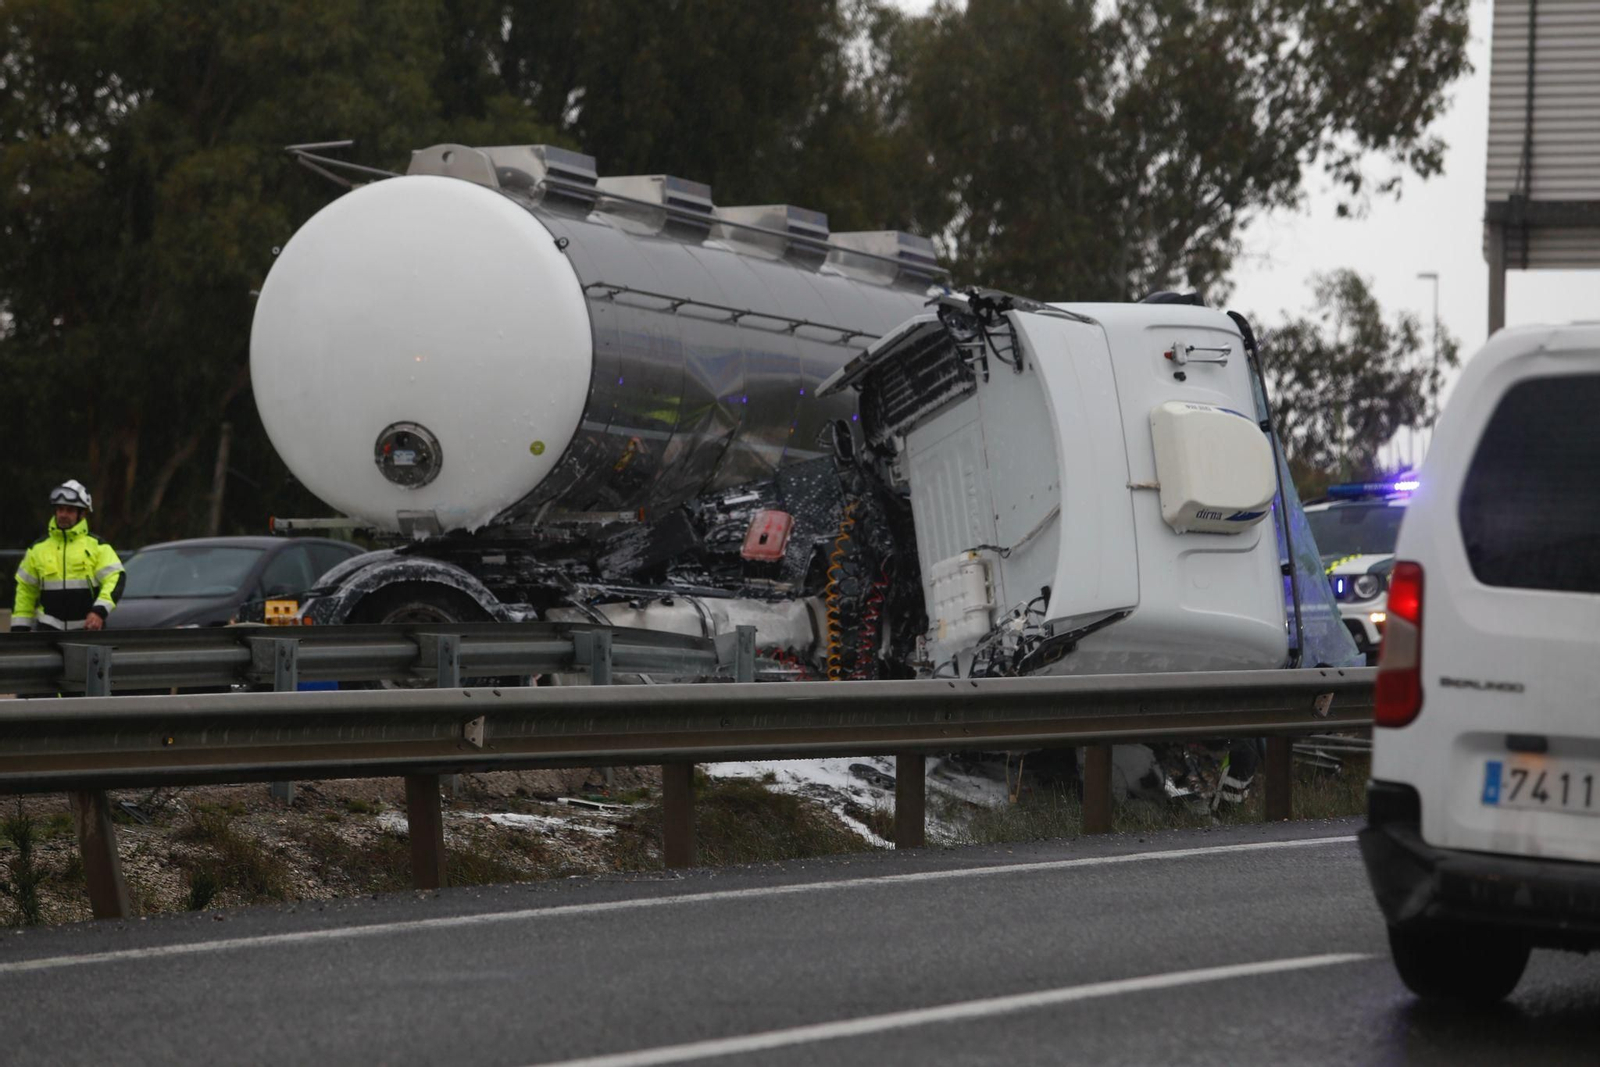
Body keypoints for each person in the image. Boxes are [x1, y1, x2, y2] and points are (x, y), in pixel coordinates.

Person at [11, 480, 125, 632]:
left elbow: (115, 578)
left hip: (88, 633)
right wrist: (19, 630)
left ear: (82, 514)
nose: (63, 515)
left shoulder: (97, 546)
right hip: (47, 634)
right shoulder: (37, 549)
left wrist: (99, 612)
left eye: (70, 510)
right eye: (60, 509)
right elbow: (25, 591)